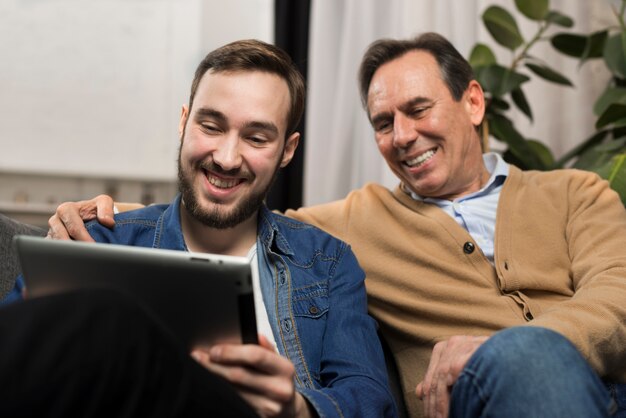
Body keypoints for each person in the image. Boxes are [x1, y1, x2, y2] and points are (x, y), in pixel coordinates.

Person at [44, 33, 626, 418]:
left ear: (473, 102)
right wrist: (106, 222)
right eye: (382, 121)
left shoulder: (575, 193)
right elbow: (237, 212)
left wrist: (507, 346)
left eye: (418, 110)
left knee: (531, 358)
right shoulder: (355, 226)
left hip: (606, 387)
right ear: (184, 121)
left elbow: (618, 298)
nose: (401, 136)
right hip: (481, 405)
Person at [0, 39, 397, 418]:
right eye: (211, 126)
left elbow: (370, 397)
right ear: (184, 122)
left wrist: (295, 409)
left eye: (256, 138)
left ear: (287, 151)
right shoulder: (100, 237)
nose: (226, 158)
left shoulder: (328, 264)